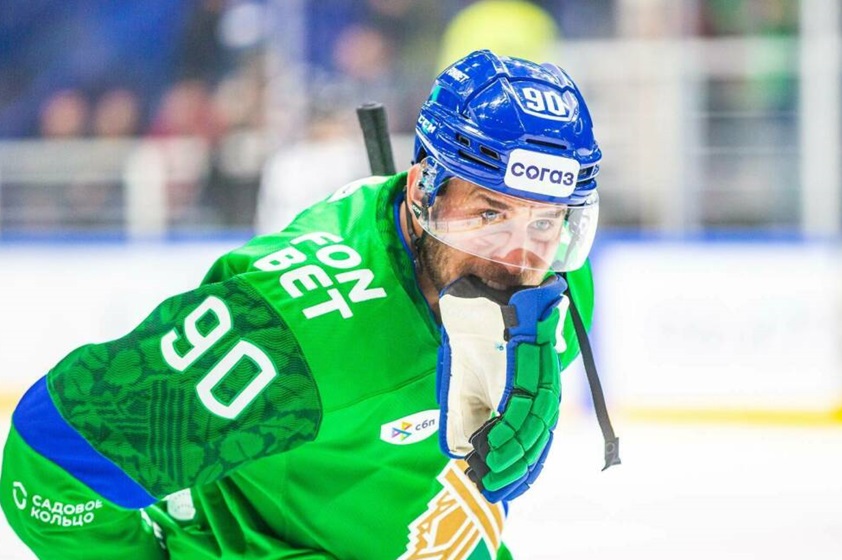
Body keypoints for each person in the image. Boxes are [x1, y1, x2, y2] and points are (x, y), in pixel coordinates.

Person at [1, 49, 603, 559]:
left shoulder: (561, 285)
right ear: (424, 191)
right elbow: (52, 460)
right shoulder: (287, 338)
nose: (518, 262)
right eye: (490, 215)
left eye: (545, 221)